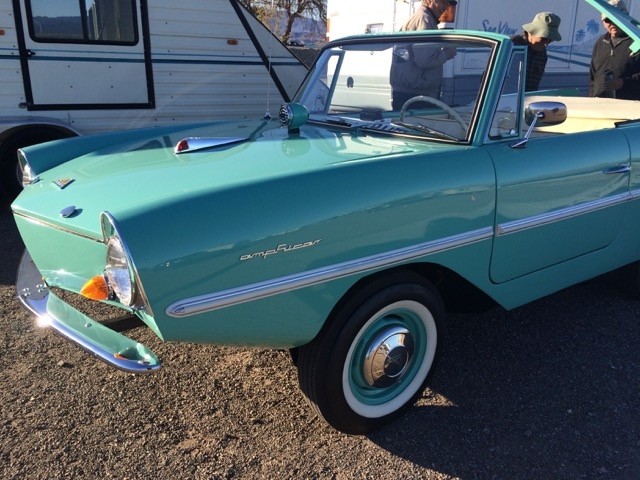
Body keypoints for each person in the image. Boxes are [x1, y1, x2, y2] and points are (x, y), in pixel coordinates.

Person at [389, 0, 456, 110]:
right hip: (417, 96)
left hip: (408, 92)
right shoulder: (425, 19)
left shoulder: (420, 18)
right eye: (442, 2)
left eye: (447, 4)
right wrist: (446, 54)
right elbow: (424, 60)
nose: (445, 7)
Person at [588, 0, 640, 99]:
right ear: (603, 22)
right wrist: (591, 99)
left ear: (625, 19)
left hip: (628, 107)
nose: (612, 23)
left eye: (615, 19)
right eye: (608, 20)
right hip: (599, 105)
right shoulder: (600, 42)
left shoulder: (637, 41)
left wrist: (623, 83)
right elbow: (592, 76)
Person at [511, 12, 562, 92]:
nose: (546, 44)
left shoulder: (542, 54)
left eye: (551, 40)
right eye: (544, 39)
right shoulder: (511, 46)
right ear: (532, 32)